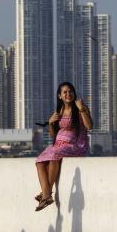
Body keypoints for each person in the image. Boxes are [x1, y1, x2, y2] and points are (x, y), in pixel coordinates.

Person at [34, 82, 92, 211]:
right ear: (60, 96)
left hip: (75, 145)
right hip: (58, 145)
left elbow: (89, 126)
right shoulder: (59, 111)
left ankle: (45, 195)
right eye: (65, 92)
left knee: (54, 155)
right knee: (39, 161)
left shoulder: (80, 107)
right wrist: (50, 123)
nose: (68, 94)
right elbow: (53, 135)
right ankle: (47, 194)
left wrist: (82, 108)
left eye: (70, 91)